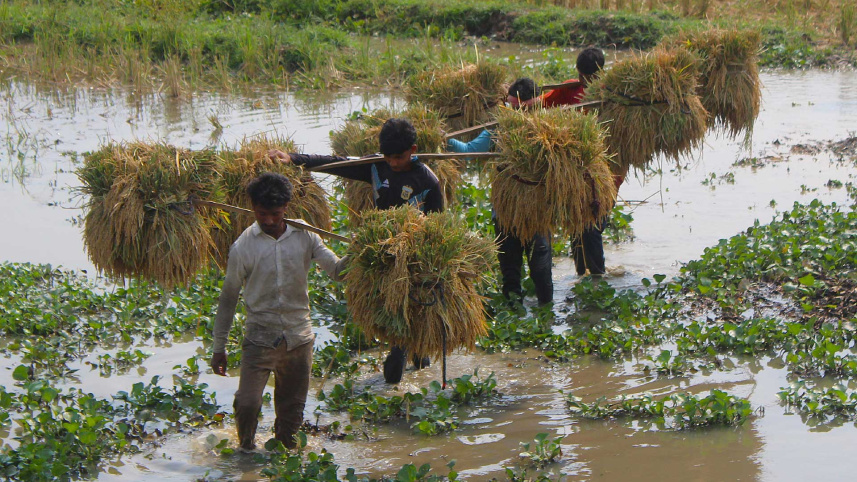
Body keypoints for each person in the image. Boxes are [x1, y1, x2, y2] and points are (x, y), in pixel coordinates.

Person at [268, 118, 443, 384]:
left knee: (404, 329)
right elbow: (335, 163)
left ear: (414, 149)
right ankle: (409, 357)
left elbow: (439, 230)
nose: (393, 163)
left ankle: (404, 365)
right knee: (362, 290)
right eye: (389, 157)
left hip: (412, 257)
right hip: (377, 247)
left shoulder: (428, 181)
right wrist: (293, 158)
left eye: (399, 157)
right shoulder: (375, 165)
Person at [210, 172, 348, 451]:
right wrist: (218, 347)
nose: (269, 220)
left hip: (299, 337)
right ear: (253, 209)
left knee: (291, 414)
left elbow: (336, 271)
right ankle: (246, 450)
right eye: (262, 214)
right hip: (260, 338)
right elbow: (228, 299)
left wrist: (362, 250)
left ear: (286, 208)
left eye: (275, 213)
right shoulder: (243, 247)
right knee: (247, 403)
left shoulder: (305, 234)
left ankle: (284, 457)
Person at [448, 78, 554, 306]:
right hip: (506, 213)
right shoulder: (499, 129)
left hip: (538, 214)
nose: (518, 115)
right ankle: (514, 319)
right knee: (510, 275)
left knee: (541, 273)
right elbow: (470, 151)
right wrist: (444, 140)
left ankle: (547, 319)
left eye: (524, 110)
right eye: (512, 109)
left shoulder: (551, 129)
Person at [541, 47, 625, 277]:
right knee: (578, 225)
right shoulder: (569, 89)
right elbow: (540, 105)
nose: (583, 82)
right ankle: (582, 276)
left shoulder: (613, 95)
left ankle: (597, 278)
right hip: (576, 173)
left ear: (600, 74)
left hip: (608, 174)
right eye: (580, 76)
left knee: (592, 225)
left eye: (588, 79)